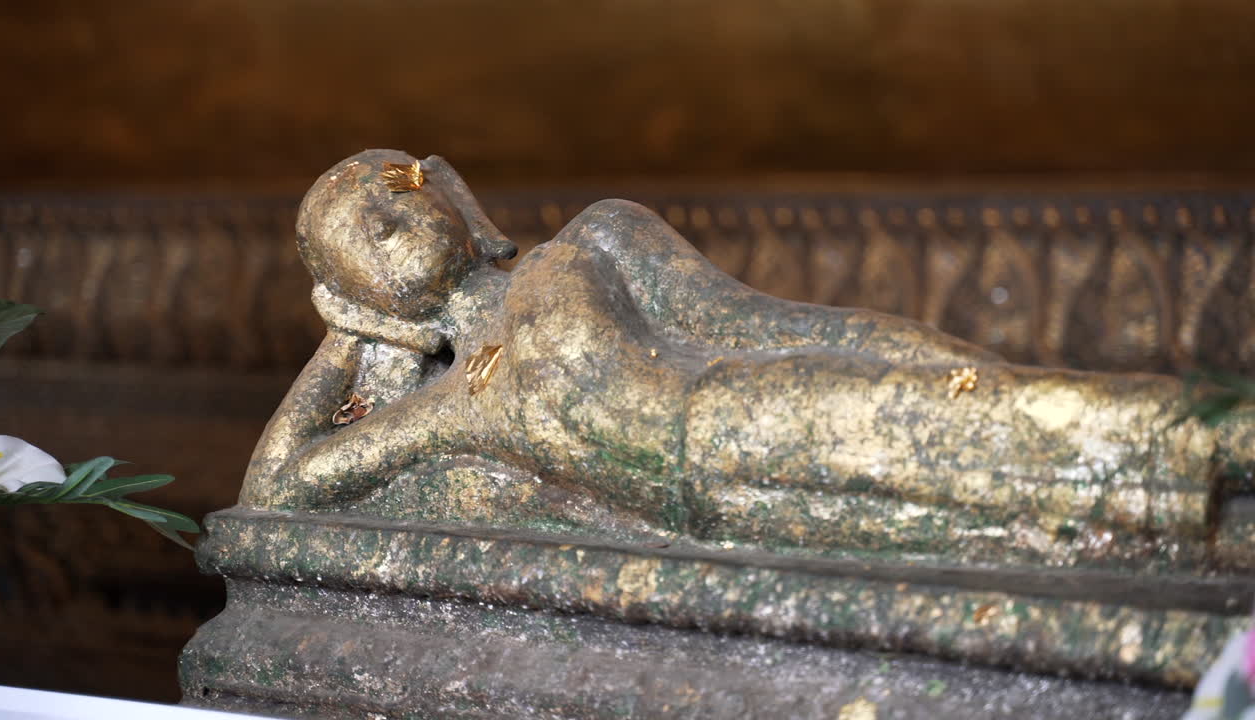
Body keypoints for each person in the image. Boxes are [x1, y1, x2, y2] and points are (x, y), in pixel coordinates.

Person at [240, 149, 1252, 570]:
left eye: (393, 193)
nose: (383, 226)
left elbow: (773, 322)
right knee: (1000, 520)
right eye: (352, 242)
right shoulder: (450, 407)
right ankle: (1207, 526)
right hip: (721, 503)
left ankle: (1223, 443)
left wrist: (947, 363)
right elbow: (277, 488)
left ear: (452, 191)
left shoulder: (587, 244)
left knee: (996, 420)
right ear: (348, 294)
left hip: (749, 408)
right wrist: (347, 338)